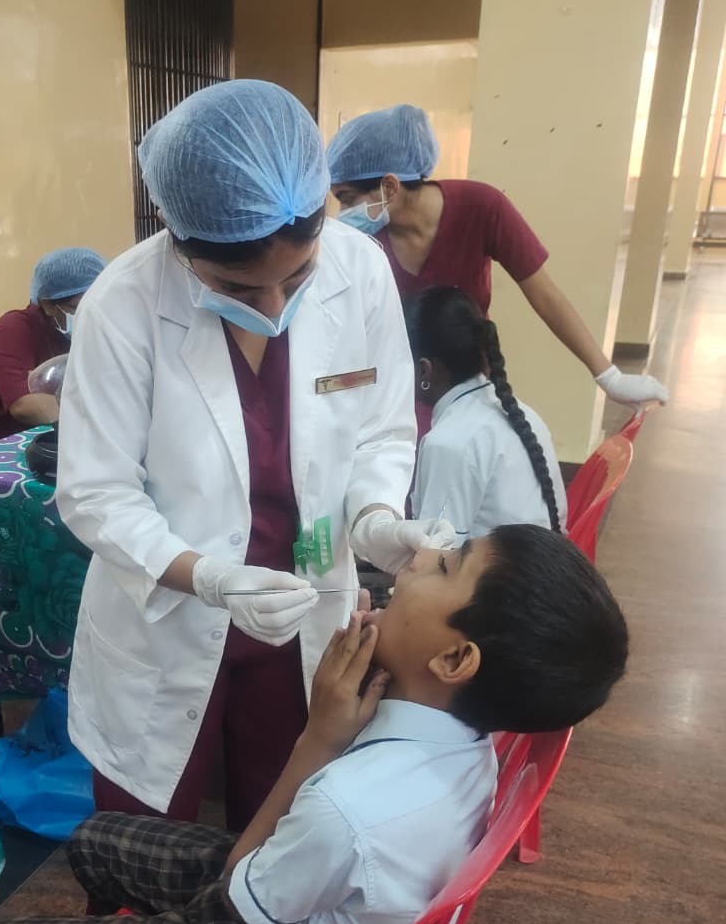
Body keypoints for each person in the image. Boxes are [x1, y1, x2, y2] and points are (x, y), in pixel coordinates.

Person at [0, 524, 629, 924]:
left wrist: (317, 738)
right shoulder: (468, 746)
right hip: (315, 919)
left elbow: (232, 901)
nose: (419, 560)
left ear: (454, 660)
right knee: (96, 837)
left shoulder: (349, 807)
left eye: (446, 567)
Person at [55, 80, 448, 828]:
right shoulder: (124, 303)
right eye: (238, 287)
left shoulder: (359, 272)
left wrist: (374, 518)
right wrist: (205, 578)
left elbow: (382, 429)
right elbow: (96, 492)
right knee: (142, 829)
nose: (273, 310)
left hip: (306, 607)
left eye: (296, 278)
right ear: (178, 237)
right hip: (166, 615)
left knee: (278, 813)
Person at [327, 105, 668, 437]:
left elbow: (546, 296)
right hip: (398, 385)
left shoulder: (482, 207)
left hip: (466, 384)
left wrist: (608, 377)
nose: (342, 213)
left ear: (389, 187)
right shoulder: (363, 241)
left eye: (346, 197)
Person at [406, 286, 567, 539]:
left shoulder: (448, 443)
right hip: (540, 571)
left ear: (423, 371)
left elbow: (433, 561)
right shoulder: (526, 415)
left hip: (496, 578)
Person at [0, 246, 106, 453]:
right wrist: (95, 419)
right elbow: (23, 405)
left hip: (49, 440)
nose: (90, 314)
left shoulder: (83, 331)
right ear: (48, 305)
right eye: (79, 308)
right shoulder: (13, 330)